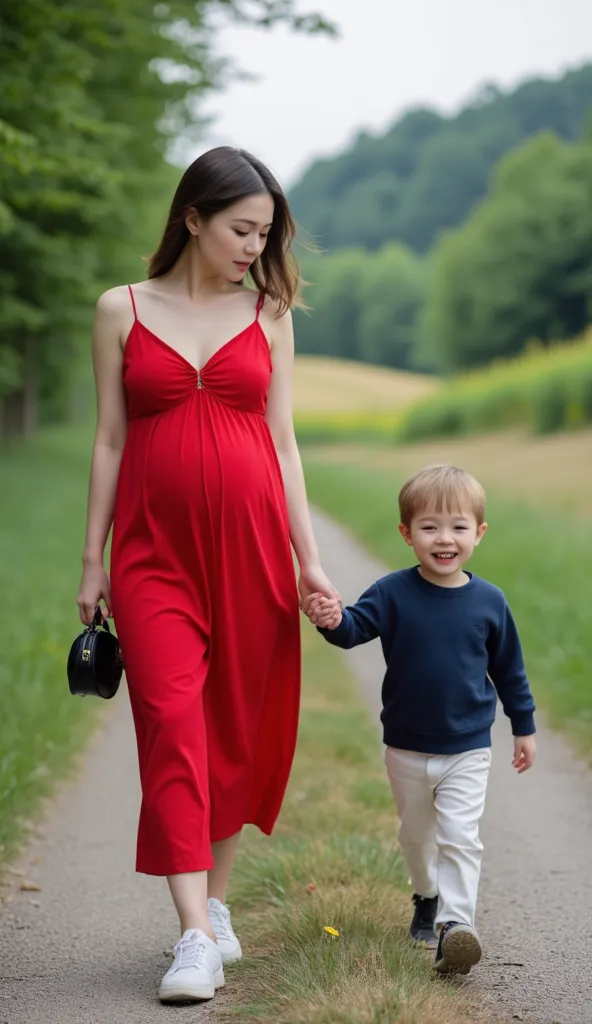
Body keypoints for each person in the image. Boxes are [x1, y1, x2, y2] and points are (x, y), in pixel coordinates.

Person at [76, 146, 338, 1004]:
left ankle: (215, 904)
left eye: (265, 233)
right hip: (152, 556)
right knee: (169, 719)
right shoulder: (120, 309)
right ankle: (192, 933)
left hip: (255, 549)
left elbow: (284, 444)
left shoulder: (269, 312)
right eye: (240, 229)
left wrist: (310, 560)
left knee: (231, 727)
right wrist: (93, 559)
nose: (254, 247)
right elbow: (110, 439)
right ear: (193, 218)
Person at [303, 464, 536, 976]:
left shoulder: (490, 602)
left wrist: (524, 725)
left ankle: (456, 927)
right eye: (430, 527)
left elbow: (510, 671)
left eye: (457, 526)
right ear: (407, 534)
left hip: (469, 748)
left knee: (460, 835)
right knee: (416, 836)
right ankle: (426, 896)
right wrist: (331, 618)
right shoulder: (392, 593)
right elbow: (353, 629)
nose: (444, 538)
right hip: (406, 746)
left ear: (479, 532)